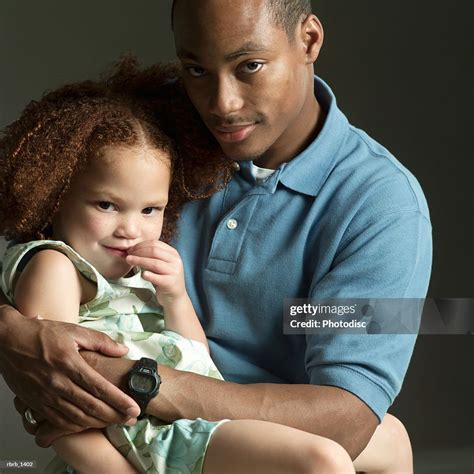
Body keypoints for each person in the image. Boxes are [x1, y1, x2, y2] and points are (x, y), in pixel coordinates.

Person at [0, 0, 431, 472]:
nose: (221, 104)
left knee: (389, 436)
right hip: (139, 445)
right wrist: (10, 330)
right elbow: (39, 250)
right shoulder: (149, 132)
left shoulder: (381, 206)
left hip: (262, 450)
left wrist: (138, 379)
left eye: (250, 65)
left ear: (309, 40)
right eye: (196, 69)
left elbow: (347, 419)